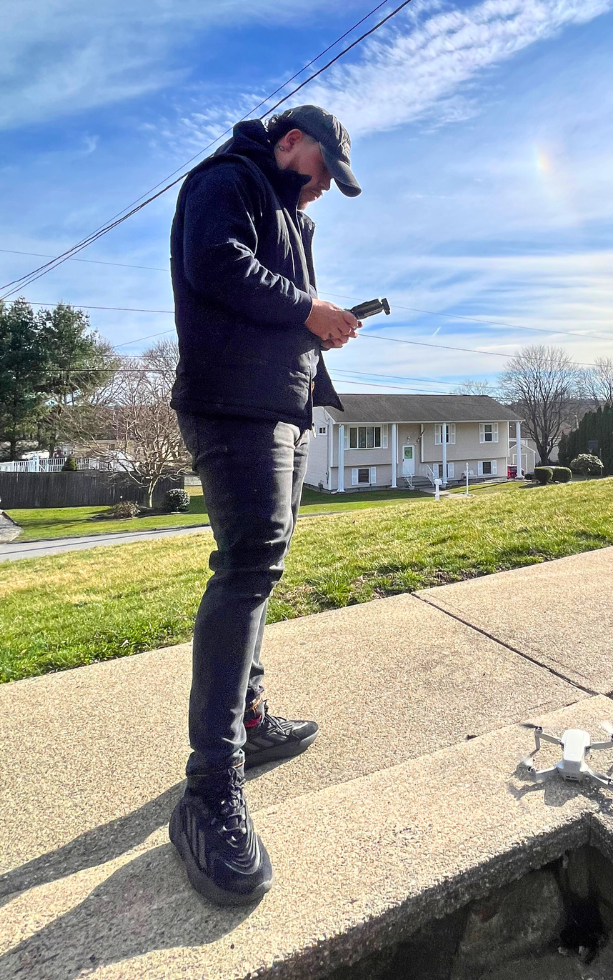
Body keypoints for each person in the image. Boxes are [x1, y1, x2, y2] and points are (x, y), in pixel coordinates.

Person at [167, 105, 361, 906]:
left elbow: (278, 300)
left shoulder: (287, 212)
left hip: (278, 407)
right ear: (291, 144)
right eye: (321, 173)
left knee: (263, 568)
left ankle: (247, 719)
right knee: (245, 568)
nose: (320, 192)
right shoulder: (227, 180)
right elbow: (216, 264)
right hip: (233, 404)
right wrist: (306, 310)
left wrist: (318, 342)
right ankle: (211, 787)